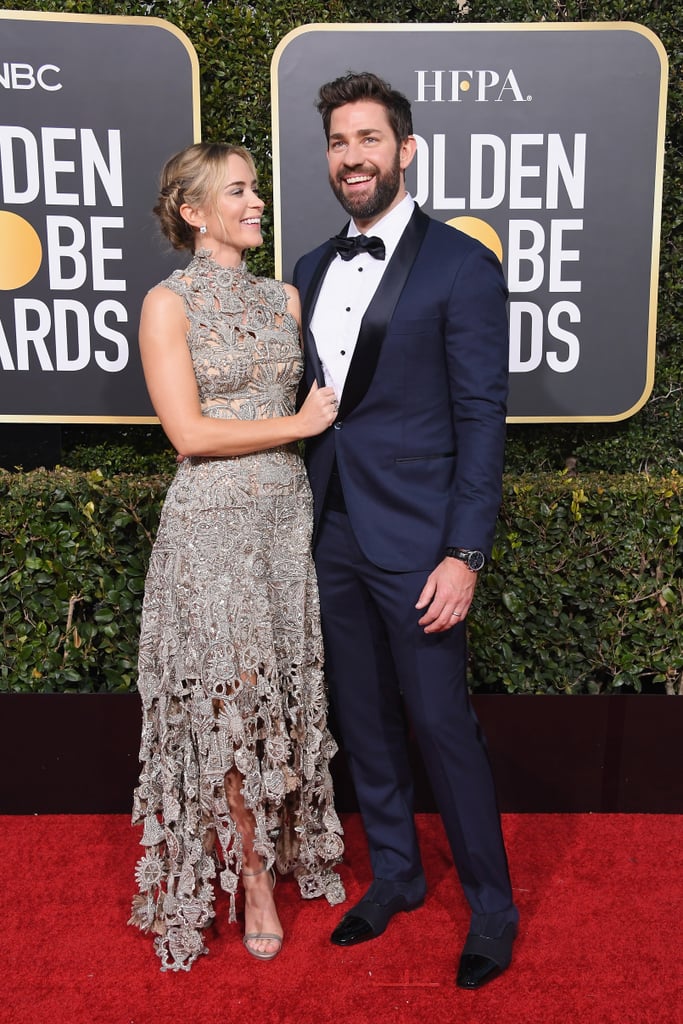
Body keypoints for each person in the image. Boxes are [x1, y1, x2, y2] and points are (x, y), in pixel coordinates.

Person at [293, 73, 519, 990]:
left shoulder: (462, 265)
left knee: (439, 723)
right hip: (331, 531)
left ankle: (493, 909)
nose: (353, 157)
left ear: (406, 149)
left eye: (369, 140)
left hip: (424, 544)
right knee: (367, 722)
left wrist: (464, 553)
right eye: (340, 143)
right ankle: (394, 875)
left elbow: (481, 420)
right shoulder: (308, 268)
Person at [129, 141, 345, 972]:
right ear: (193, 212)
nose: (257, 202)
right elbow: (187, 434)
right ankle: (252, 876)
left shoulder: (284, 296)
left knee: (280, 698)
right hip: (212, 527)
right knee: (232, 704)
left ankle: (281, 845)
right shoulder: (166, 306)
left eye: (255, 189)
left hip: (285, 525)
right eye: (240, 191)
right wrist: (298, 425)